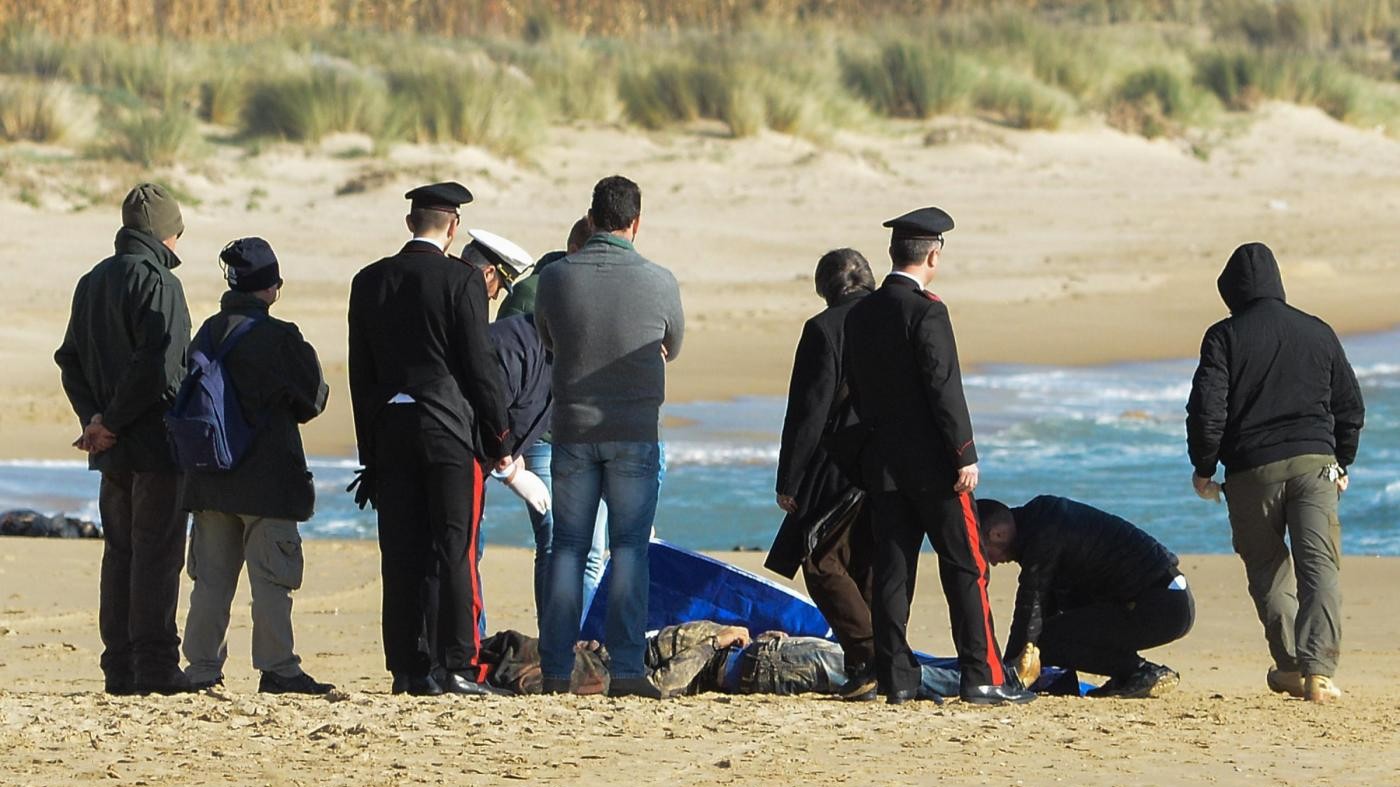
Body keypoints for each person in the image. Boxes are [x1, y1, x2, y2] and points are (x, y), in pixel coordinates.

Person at [841, 207, 1032, 706]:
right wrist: (963, 453)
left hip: (884, 464)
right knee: (966, 568)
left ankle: (897, 679)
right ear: (933, 254)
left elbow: (857, 392)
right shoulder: (928, 311)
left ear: (891, 253)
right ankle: (981, 675)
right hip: (936, 468)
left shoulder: (861, 314)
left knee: (893, 573)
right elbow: (944, 388)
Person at [347, 182, 512, 697]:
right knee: (453, 549)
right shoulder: (460, 281)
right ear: (453, 227)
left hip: (389, 429)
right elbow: (478, 366)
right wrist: (499, 434)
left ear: (409, 223)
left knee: (400, 552)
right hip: (446, 429)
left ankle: (408, 667)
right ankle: (458, 664)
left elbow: (361, 374)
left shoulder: (369, 280)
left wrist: (368, 451)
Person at [1186, 242, 1365, 704]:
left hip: (1250, 473)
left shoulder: (1223, 336)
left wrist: (1204, 468)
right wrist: (1342, 460)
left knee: (1268, 570)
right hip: (1314, 466)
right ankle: (1318, 673)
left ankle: (1290, 665)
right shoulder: (1317, 331)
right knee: (1319, 567)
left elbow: (1207, 410)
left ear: (1231, 290)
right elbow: (1350, 406)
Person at [534, 175, 685, 699]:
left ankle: (555, 668)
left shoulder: (555, 277)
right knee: (628, 550)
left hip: (573, 431)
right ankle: (624, 670)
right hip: (634, 432)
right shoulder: (660, 279)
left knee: (568, 550)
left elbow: (546, 335)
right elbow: (674, 341)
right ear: (636, 224)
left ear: (593, 218)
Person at [55, 183, 193, 696]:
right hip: (153, 442)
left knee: (121, 553)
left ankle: (119, 666)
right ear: (166, 234)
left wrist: (95, 418)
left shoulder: (93, 280)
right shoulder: (158, 282)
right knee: (155, 554)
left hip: (110, 446)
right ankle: (153, 667)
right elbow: (160, 367)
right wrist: (107, 419)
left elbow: (69, 358)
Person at [178, 238, 333, 695]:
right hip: (267, 480)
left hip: (208, 478)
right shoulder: (281, 337)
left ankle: (202, 669)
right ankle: (278, 668)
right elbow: (314, 399)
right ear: (271, 288)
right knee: (271, 581)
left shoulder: (207, 332)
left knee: (210, 583)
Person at [767, 248, 877, 699]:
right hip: (895, 461)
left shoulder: (824, 329)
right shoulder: (900, 317)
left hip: (840, 463)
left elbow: (808, 411)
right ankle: (874, 663)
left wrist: (789, 480)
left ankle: (872, 657)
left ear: (825, 289)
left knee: (819, 559)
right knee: (870, 563)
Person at [495, 217, 612, 622]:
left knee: (594, 550)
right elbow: (500, 370)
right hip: (543, 438)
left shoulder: (601, 292)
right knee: (556, 541)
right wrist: (510, 454)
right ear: (578, 252)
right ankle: (556, 648)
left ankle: (582, 646)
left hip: (590, 435)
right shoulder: (530, 293)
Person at [977, 496, 1193, 699]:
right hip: (1167, 598)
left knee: (1045, 640)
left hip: (1162, 605)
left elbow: (1030, 605)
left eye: (984, 553)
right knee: (1048, 634)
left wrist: (1005, 673)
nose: (991, 563)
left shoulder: (1044, 530)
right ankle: (1128, 675)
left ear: (997, 534)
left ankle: (1140, 671)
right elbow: (1045, 605)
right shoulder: (1040, 521)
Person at [476, 621, 971, 701]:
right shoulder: (623, 671)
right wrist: (717, 644)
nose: (580, 645)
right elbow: (665, 685)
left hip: (766, 654)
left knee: (877, 661)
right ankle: (974, 680)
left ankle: (978, 672)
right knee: (877, 667)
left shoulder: (616, 649)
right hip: (763, 665)